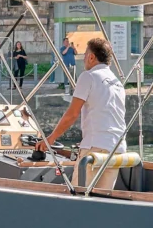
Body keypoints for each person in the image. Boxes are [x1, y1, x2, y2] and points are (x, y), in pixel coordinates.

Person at [39, 35, 126, 185]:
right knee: (103, 198)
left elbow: (72, 114)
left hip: (95, 148)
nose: (84, 58)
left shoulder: (88, 77)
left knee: (80, 195)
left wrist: (50, 139)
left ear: (92, 57)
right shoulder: (117, 82)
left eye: (85, 54)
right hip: (117, 149)